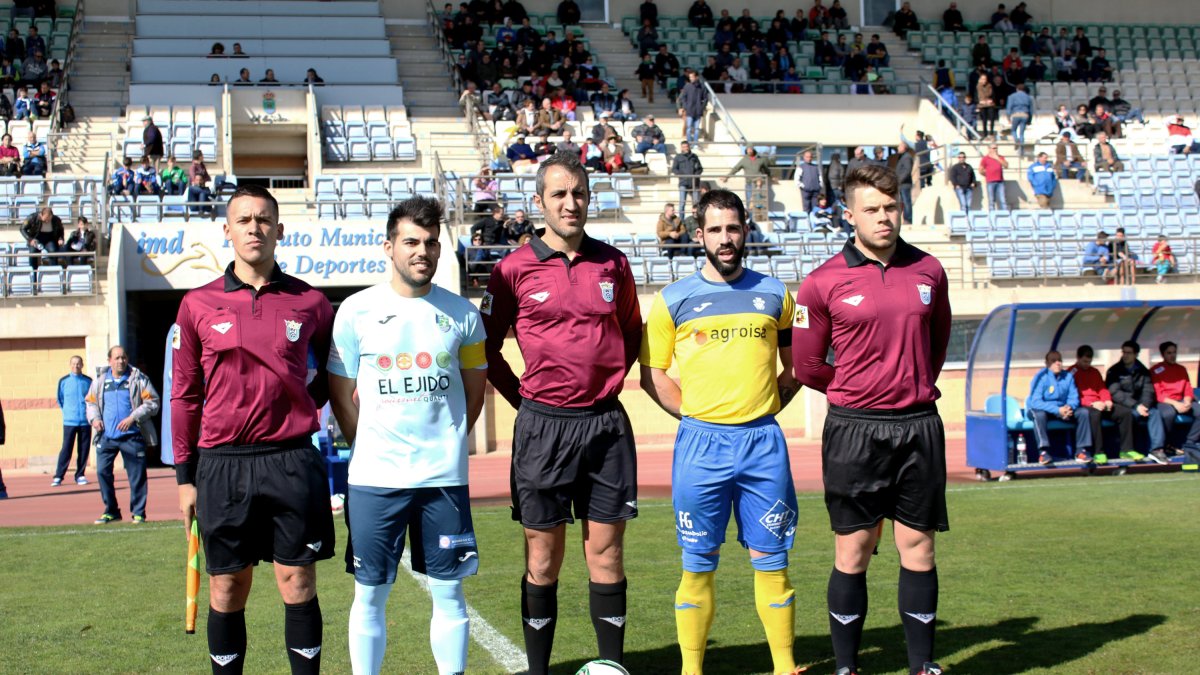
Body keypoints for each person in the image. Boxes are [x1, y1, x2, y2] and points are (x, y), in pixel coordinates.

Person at [481, 153, 641, 674]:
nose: (570, 204)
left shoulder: (613, 263)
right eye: (559, 194)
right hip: (542, 428)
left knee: (607, 555)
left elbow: (631, 332)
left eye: (579, 193)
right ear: (539, 202)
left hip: (605, 427)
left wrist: (607, 379)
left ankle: (611, 667)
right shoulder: (512, 269)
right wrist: (524, 400)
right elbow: (486, 349)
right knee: (543, 559)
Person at [793, 164, 950, 675]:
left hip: (919, 425)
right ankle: (846, 666)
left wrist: (907, 384)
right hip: (854, 430)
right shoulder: (822, 282)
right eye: (872, 209)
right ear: (849, 215)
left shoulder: (930, 271)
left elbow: (937, 345)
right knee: (854, 548)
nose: (884, 217)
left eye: (891, 207)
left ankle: (922, 665)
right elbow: (807, 365)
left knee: (918, 546)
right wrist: (856, 391)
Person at [172, 185, 335, 674]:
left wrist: (298, 403)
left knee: (298, 582)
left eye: (263, 220)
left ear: (279, 230)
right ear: (227, 230)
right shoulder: (197, 304)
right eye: (243, 220)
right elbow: (185, 395)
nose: (254, 228)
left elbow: (333, 374)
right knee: (227, 586)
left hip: (292, 460)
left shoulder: (311, 302)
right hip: (222, 464)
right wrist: (184, 477)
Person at [640, 189, 802, 675]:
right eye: (715, 230)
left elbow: (796, 366)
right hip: (700, 444)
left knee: (772, 559)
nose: (725, 238)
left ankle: (785, 668)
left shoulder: (777, 295)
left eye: (733, 228)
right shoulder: (672, 300)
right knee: (697, 560)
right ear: (699, 235)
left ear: (745, 231)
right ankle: (691, 671)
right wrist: (697, 416)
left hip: (762, 443)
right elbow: (652, 374)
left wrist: (766, 406)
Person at [328, 197, 486, 675]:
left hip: (443, 480)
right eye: (412, 242)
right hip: (375, 479)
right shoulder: (355, 311)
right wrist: (367, 445)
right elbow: (341, 393)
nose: (423, 251)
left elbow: (473, 394)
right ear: (389, 247)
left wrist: (448, 443)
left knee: (450, 591)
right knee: (370, 593)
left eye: (431, 242)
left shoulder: (464, 315)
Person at [86, 345, 159, 524]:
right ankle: (111, 511)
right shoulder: (100, 382)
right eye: (117, 358)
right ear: (109, 360)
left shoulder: (138, 379)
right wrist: (95, 419)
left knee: (137, 476)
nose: (121, 361)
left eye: (123, 357)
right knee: (102, 472)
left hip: (132, 437)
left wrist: (133, 418)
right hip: (107, 437)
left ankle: (138, 513)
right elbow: (90, 402)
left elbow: (152, 402)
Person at [1026, 350, 1093, 464]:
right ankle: (1043, 452)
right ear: (1047, 363)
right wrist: (1058, 410)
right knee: (1039, 415)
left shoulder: (1068, 376)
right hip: (1043, 409)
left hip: (1062, 410)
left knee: (1083, 412)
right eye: (1053, 361)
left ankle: (1081, 451)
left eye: (1059, 360)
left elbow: (1074, 397)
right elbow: (1035, 402)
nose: (1058, 363)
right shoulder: (1041, 376)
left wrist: (1069, 408)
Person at [1071, 344, 1132, 465]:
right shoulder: (1071, 373)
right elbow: (1073, 395)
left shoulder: (1094, 372)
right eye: (1084, 361)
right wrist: (1092, 403)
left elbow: (1102, 388)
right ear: (1078, 358)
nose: (1087, 364)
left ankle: (1126, 450)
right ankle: (1098, 452)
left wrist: (1107, 400)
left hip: (1100, 404)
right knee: (1095, 414)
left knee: (1125, 413)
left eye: (1089, 362)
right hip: (1085, 406)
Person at [1149, 341, 1200, 463]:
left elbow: (1188, 387)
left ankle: (1189, 442)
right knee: (1168, 414)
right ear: (1163, 354)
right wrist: (1175, 404)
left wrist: (1187, 400)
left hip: (1182, 399)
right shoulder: (1155, 370)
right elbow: (1158, 393)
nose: (1172, 355)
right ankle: (1168, 444)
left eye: (1174, 353)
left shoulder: (1181, 369)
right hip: (1165, 401)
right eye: (1169, 353)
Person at [52, 355, 93, 487]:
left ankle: (80, 475)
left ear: (82, 365)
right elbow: (60, 399)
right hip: (69, 421)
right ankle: (58, 476)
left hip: (85, 421)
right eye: (73, 363)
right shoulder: (63, 381)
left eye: (78, 363)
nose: (76, 366)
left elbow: (93, 399)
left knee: (84, 449)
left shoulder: (88, 381)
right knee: (66, 448)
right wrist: (67, 411)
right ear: (70, 365)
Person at [722, 147, 771, 212]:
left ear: (753, 150)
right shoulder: (744, 160)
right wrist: (727, 176)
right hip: (749, 184)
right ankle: (750, 216)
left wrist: (771, 176)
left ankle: (758, 215)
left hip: (758, 184)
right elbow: (736, 169)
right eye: (748, 149)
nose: (749, 151)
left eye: (751, 149)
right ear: (746, 151)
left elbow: (766, 170)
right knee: (749, 204)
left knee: (758, 203)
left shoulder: (760, 160)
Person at [671, 140, 703, 212]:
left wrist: (695, 176)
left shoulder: (694, 157)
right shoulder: (678, 157)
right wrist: (681, 175)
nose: (685, 148)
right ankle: (681, 218)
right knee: (682, 203)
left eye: (686, 146)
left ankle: (696, 218)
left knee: (696, 204)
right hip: (683, 182)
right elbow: (674, 169)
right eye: (683, 147)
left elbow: (700, 168)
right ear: (681, 148)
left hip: (694, 183)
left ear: (689, 147)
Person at [678, 70, 708, 146]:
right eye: (690, 77)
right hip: (689, 110)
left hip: (698, 111)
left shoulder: (702, 87)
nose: (690, 78)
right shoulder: (687, 86)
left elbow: (705, 98)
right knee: (688, 128)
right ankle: (689, 143)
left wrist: (702, 107)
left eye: (692, 77)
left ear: (696, 77)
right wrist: (685, 107)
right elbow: (683, 97)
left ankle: (695, 144)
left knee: (696, 129)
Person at [979, 144, 1008, 211]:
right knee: (991, 200)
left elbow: (1006, 166)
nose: (995, 150)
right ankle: (992, 214)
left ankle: (1005, 213)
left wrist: (997, 158)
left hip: (1000, 181)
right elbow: (980, 170)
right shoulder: (985, 158)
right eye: (994, 148)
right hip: (990, 182)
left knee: (1002, 199)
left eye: (996, 148)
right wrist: (988, 174)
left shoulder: (1000, 157)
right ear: (989, 149)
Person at [795, 149, 823, 213]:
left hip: (816, 191)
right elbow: (797, 179)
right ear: (804, 157)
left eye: (810, 157)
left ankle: (813, 218)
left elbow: (820, 177)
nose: (809, 158)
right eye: (807, 157)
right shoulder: (801, 167)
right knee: (806, 208)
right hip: (806, 191)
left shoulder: (816, 167)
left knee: (815, 208)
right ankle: (807, 219)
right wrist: (803, 186)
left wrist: (820, 185)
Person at [894, 142, 914, 224]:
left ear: (904, 148)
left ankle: (908, 219)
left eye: (899, 146)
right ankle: (905, 219)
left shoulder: (907, 157)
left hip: (905, 184)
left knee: (906, 202)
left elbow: (907, 171)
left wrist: (899, 180)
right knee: (903, 202)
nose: (898, 148)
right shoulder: (902, 157)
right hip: (901, 184)